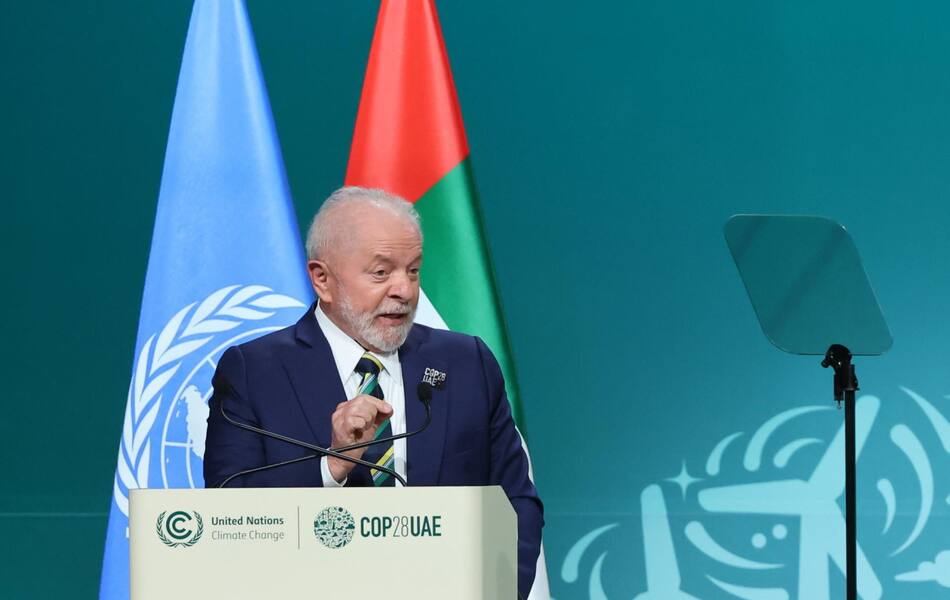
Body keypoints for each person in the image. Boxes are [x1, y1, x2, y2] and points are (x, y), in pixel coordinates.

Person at [204, 186, 543, 597]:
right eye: (381, 273)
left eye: (413, 270)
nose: (405, 290)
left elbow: (515, 505)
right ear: (322, 280)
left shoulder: (465, 363)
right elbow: (228, 516)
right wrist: (332, 467)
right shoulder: (255, 372)